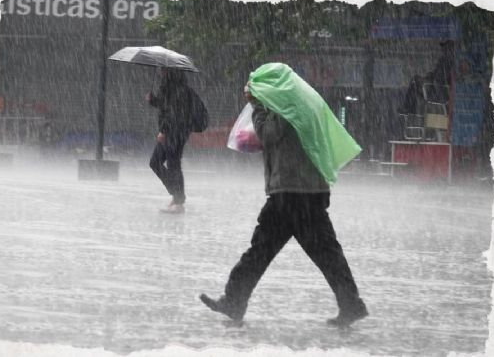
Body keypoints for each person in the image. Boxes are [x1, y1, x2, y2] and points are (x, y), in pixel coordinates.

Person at [199, 84, 368, 328]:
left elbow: (268, 135)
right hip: (308, 192)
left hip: (291, 194)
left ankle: (234, 301)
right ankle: (351, 304)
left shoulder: (286, 108)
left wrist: (257, 106)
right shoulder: (306, 107)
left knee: (261, 251)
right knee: (326, 253)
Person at [146, 67, 195, 214]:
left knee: (169, 164)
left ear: (171, 71)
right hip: (176, 131)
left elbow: (173, 112)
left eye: (164, 69)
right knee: (165, 163)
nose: (161, 71)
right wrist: (153, 100)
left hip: (173, 132)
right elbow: (164, 105)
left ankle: (178, 198)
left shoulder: (175, 88)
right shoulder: (169, 85)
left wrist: (164, 130)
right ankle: (177, 196)